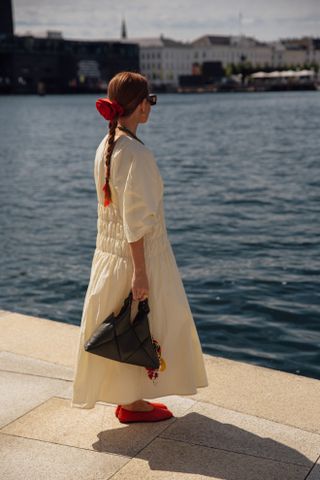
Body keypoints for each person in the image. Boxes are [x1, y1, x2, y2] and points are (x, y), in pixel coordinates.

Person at [71, 71, 209, 423]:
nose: (151, 106)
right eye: (151, 100)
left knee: (124, 327)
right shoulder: (136, 154)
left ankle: (129, 398)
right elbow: (136, 222)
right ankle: (132, 403)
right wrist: (142, 274)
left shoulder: (107, 144)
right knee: (152, 324)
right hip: (138, 257)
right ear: (139, 105)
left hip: (109, 255)